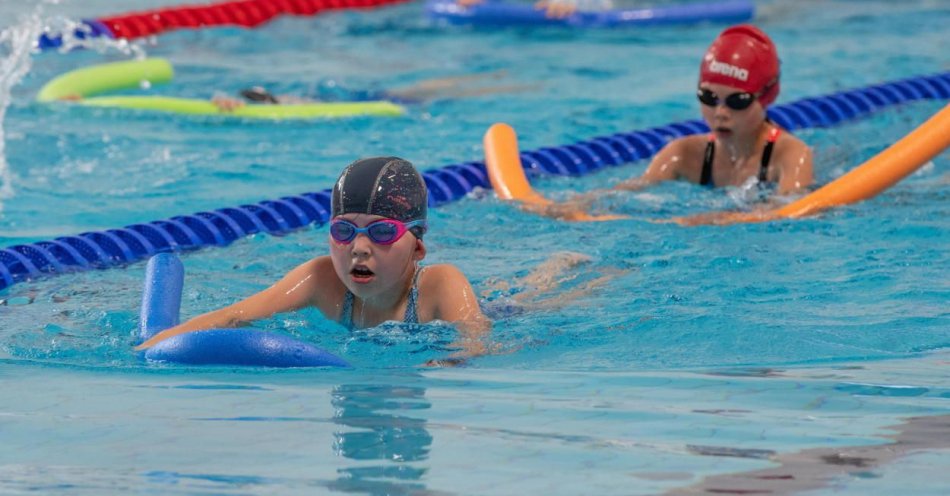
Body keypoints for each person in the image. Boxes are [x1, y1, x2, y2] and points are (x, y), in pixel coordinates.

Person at [135, 156, 490, 365]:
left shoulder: (439, 285)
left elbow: (476, 340)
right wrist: (152, 345)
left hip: (501, 311)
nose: (359, 247)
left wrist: (444, 364)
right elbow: (235, 315)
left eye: (381, 232)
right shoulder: (322, 279)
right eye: (344, 231)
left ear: (418, 249)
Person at [529, 24, 814, 220]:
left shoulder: (791, 156)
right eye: (708, 97)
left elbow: (786, 213)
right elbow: (628, 191)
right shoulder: (682, 155)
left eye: (737, 100)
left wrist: (715, 221)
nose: (720, 112)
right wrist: (575, 205)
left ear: (767, 96)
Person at [212, 71, 538, 111]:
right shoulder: (249, 103)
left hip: (348, 101)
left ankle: (513, 81)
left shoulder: (274, 104)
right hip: (348, 99)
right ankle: (506, 79)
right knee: (421, 92)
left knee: (429, 93)